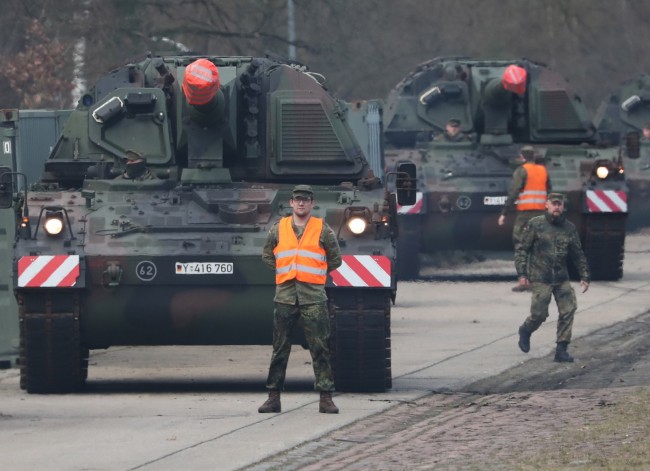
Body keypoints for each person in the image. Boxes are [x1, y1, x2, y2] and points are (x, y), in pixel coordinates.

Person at [258, 185, 342, 414]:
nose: (301, 203)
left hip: (313, 296)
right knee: (279, 348)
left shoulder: (322, 229)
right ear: (291, 203)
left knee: (320, 348)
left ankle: (326, 398)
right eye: (298, 200)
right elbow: (267, 255)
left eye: (305, 200)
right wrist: (285, 271)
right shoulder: (279, 228)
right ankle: (273, 397)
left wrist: (315, 273)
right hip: (285, 295)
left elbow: (335, 260)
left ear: (312, 203)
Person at [515, 193, 590, 363]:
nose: (557, 207)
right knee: (539, 314)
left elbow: (578, 254)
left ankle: (561, 349)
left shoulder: (569, 228)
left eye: (559, 204)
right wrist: (522, 274)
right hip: (541, 277)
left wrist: (585, 276)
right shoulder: (536, 225)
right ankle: (526, 330)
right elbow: (522, 250)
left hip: (561, 278)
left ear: (563, 207)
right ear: (547, 205)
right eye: (553, 204)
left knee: (568, 309)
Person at [498, 145, 551, 291]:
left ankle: (524, 281)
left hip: (525, 214)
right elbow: (550, 192)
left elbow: (514, 192)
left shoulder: (522, 171)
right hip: (540, 213)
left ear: (522, 157)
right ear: (534, 156)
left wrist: (504, 212)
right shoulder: (543, 170)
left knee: (521, 246)